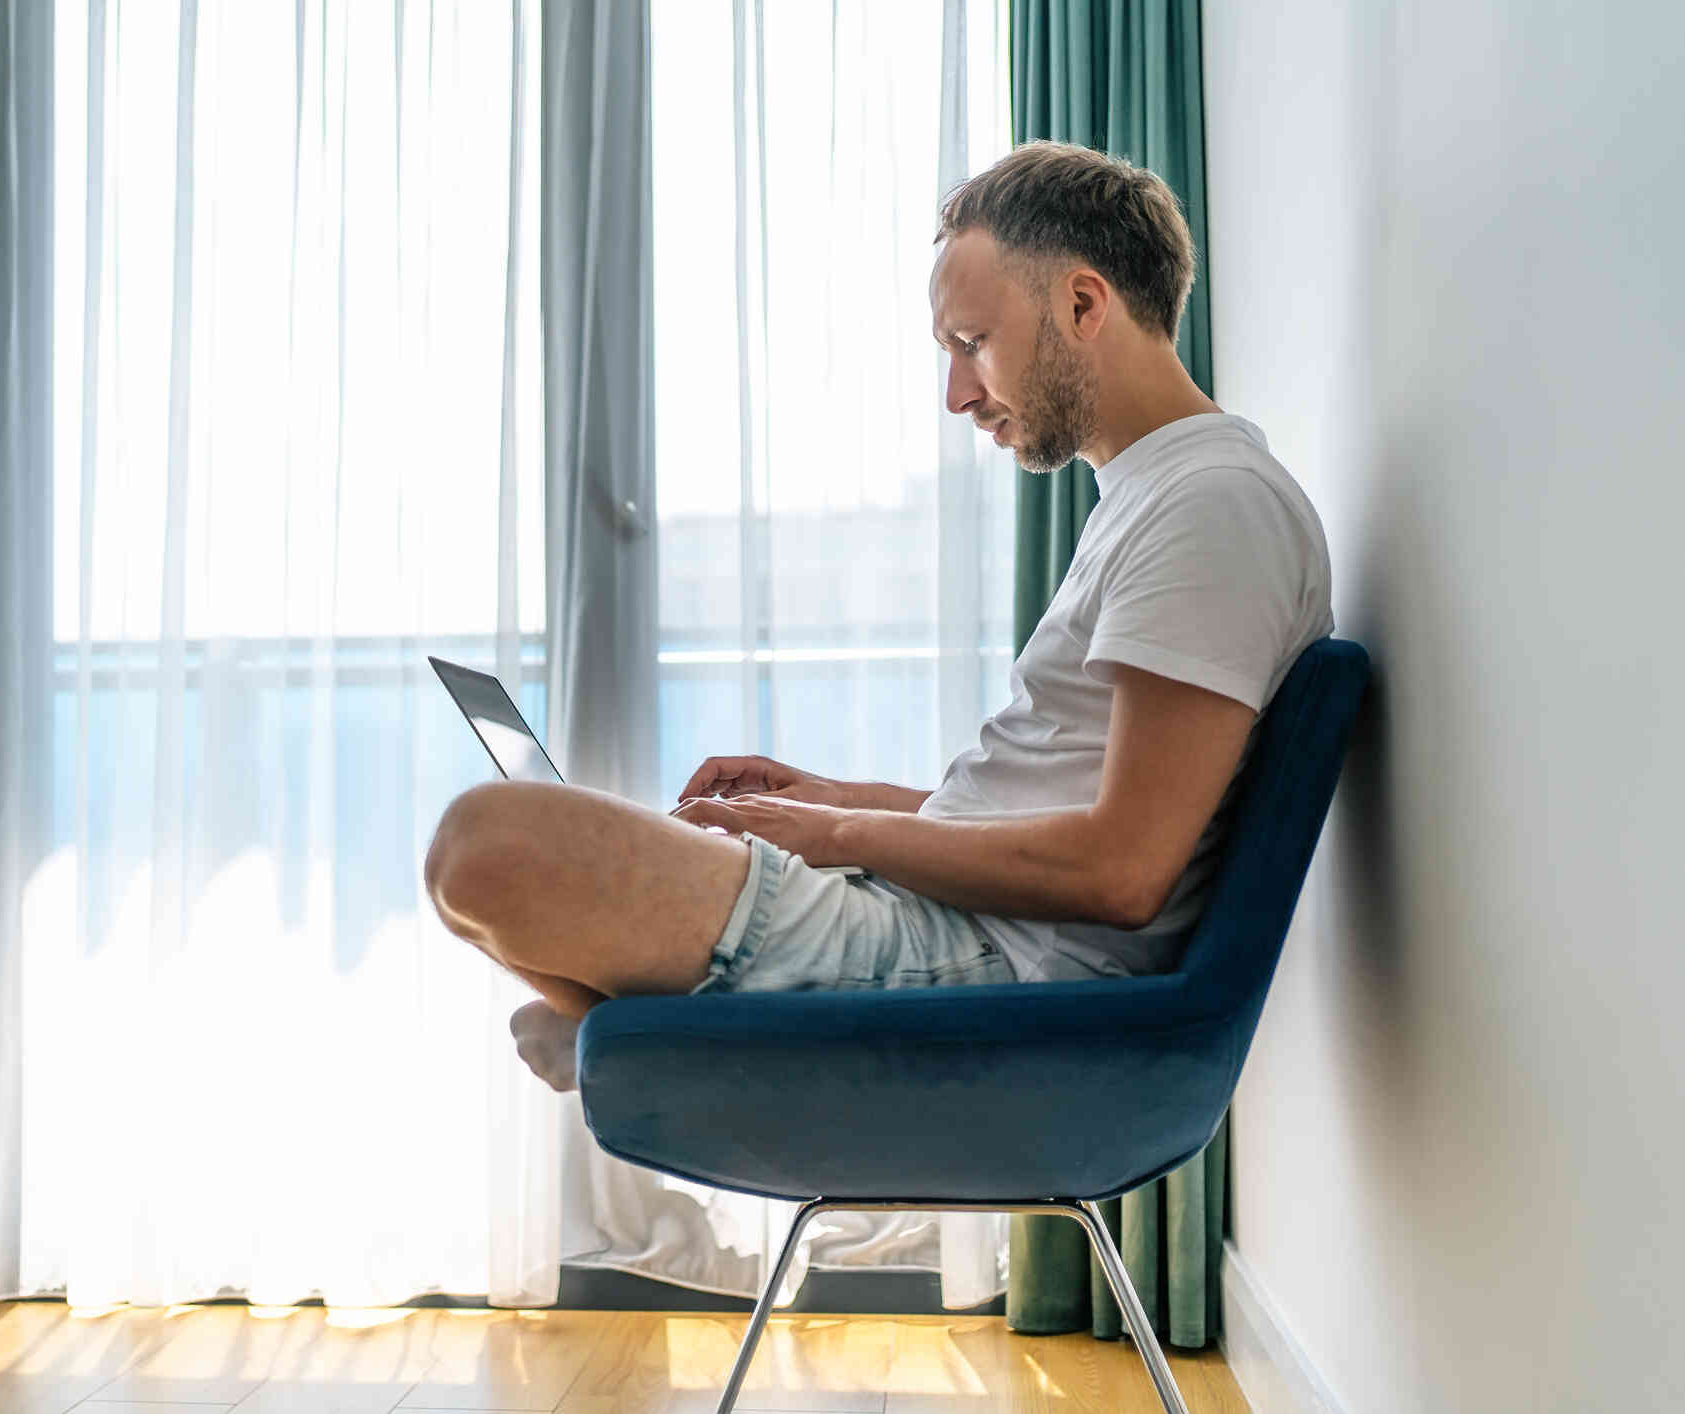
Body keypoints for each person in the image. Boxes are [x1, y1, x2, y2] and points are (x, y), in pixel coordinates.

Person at [424, 140, 1333, 1093]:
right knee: (492, 863)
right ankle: (623, 1037)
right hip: (952, 927)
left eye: (972, 342)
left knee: (487, 844)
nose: (958, 395)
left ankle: (618, 1038)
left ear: (1081, 304)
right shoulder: (1158, 498)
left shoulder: (1209, 506)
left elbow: (1121, 871)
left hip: (986, 966)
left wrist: (834, 836)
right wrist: (835, 798)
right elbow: (1047, 816)